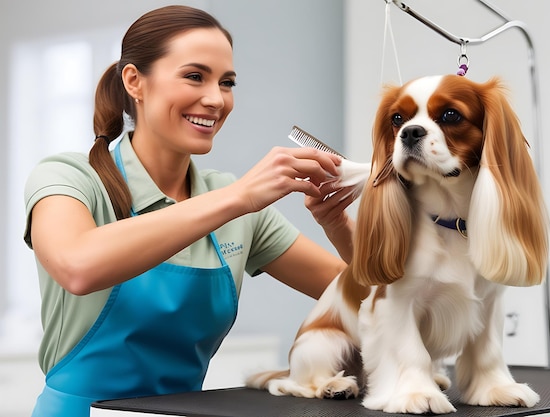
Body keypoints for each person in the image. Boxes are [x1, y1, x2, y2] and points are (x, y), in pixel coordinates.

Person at [23, 5, 357, 416]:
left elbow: (370, 299)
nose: (216, 99)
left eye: (228, 82)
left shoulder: (236, 202)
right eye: (194, 76)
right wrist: (238, 198)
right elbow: (78, 266)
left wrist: (338, 224)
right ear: (134, 82)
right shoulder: (68, 177)